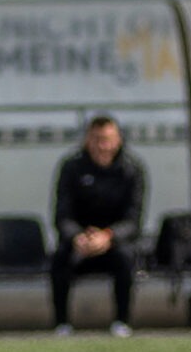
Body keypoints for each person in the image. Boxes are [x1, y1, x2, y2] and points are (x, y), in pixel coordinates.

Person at [51, 114, 145, 338]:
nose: (102, 146)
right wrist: (78, 236)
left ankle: (121, 322)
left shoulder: (132, 170)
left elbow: (133, 221)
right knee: (59, 258)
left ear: (118, 140)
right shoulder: (71, 168)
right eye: (96, 140)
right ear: (87, 140)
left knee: (126, 257)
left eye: (107, 140)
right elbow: (62, 215)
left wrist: (108, 236)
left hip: (113, 242)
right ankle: (61, 324)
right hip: (80, 242)